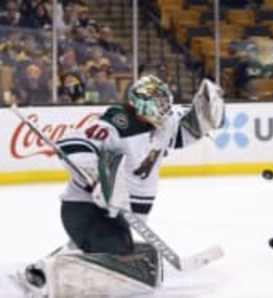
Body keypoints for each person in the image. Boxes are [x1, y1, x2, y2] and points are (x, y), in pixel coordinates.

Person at [14, 75, 225, 297]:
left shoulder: (163, 124)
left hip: (121, 210)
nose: (165, 109)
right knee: (114, 251)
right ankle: (49, 275)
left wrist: (208, 110)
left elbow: (193, 126)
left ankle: (47, 265)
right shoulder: (117, 122)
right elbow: (73, 143)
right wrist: (95, 176)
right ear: (141, 103)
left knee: (119, 250)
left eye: (166, 103)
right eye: (160, 104)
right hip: (87, 208)